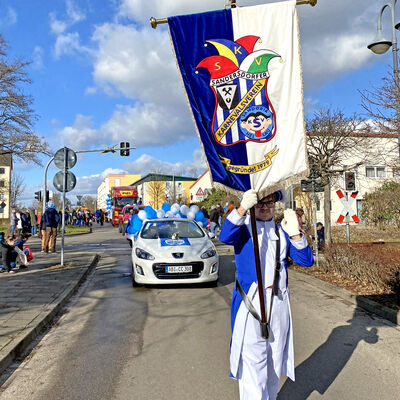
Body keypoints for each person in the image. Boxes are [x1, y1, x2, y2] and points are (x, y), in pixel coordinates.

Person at [219, 189, 314, 400]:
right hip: (250, 304)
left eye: (269, 203)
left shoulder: (281, 231)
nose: (264, 207)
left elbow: (306, 261)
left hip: (278, 305)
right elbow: (224, 236)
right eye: (260, 203)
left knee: (274, 361)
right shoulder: (243, 229)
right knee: (254, 366)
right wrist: (242, 208)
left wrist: (296, 233)